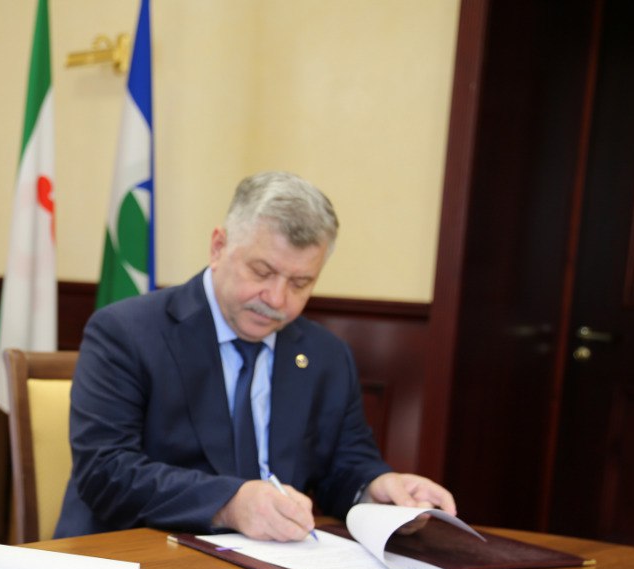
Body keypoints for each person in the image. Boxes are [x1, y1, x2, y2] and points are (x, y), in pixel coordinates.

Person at [55, 171, 454, 541]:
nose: (277, 299)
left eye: (300, 283)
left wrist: (376, 489)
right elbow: (105, 471)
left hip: (273, 567)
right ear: (218, 247)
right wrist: (229, 503)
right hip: (139, 557)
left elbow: (345, 464)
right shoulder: (127, 332)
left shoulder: (325, 355)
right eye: (262, 272)